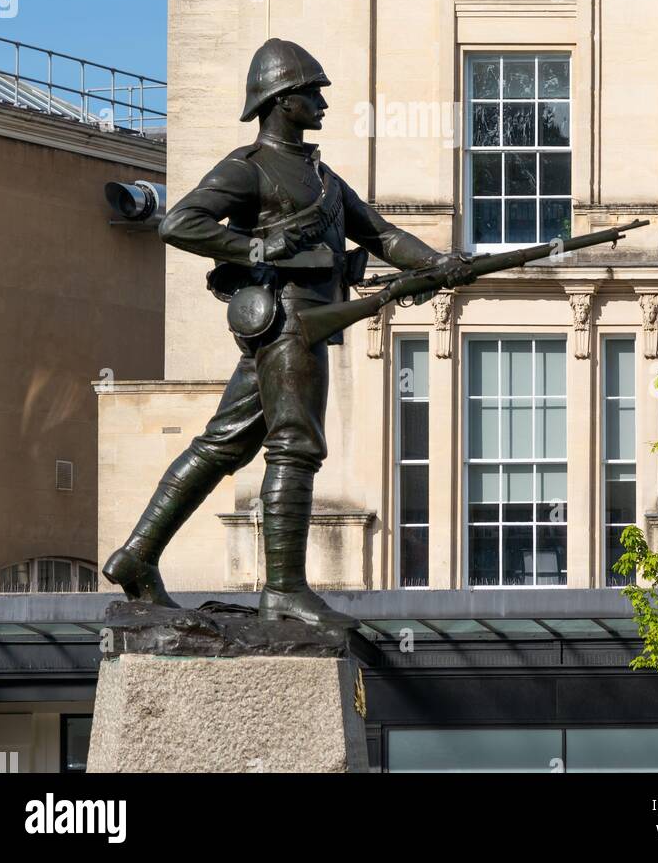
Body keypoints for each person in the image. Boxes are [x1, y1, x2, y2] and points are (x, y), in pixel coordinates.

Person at [103, 38, 465, 631]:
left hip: (297, 327)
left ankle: (137, 553)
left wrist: (438, 265)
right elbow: (179, 222)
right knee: (295, 445)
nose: (322, 101)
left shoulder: (323, 178)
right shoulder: (247, 168)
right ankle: (284, 590)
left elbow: (382, 236)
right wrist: (252, 246)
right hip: (290, 321)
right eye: (310, 92)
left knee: (222, 444)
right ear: (281, 100)